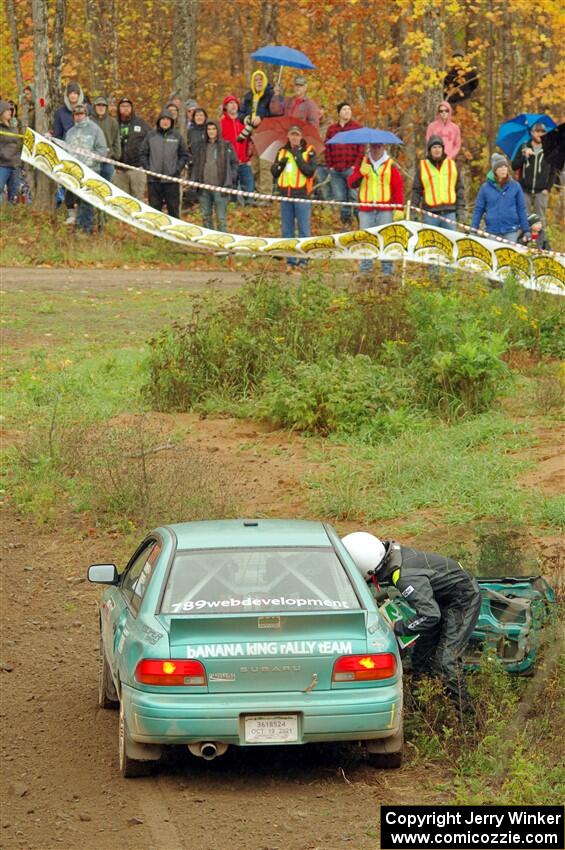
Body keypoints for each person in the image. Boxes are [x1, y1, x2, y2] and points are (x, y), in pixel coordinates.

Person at [341, 531, 481, 716]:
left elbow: (430, 615)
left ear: (368, 571)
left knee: (446, 663)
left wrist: (398, 627)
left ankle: (468, 720)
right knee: (421, 659)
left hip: (462, 599)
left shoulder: (405, 577)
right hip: (440, 599)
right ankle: (423, 712)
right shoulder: (388, 555)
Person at [348, 140, 404, 278]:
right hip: (366, 209)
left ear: (383, 147)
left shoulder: (390, 165)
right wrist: (360, 173)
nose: (376, 149)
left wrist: (399, 208)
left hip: (385, 209)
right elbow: (351, 184)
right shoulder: (362, 163)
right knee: (366, 239)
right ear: (369, 147)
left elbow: (398, 188)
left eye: (379, 146)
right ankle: (366, 269)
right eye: (373, 146)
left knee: (386, 239)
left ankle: (387, 270)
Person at [271, 124, 317, 271]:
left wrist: (297, 156)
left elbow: (310, 172)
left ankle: (303, 260)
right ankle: (290, 261)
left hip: (302, 195)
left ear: (301, 136)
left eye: (297, 135)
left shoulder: (309, 151)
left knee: (304, 229)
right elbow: (274, 172)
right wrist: (280, 165)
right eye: (292, 134)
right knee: (287, 230)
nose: (294, 137)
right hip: (286, 195)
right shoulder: (282, 151)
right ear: (288, 136)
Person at [64, 103, 107, 234]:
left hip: (91, 170)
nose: (79, 117)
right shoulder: (70, 132)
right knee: (78, 200)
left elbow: (102, 149)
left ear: (86, 114)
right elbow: (66, 150)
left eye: (81, 114)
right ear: (73, 116)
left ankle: (86, 229)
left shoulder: (95, 129)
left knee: (88, 200)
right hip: (75, 172)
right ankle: (80, 225)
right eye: (76, 114)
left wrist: (91, 159)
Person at [139, 108, 189, 219]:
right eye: (163, 119)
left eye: (168, 119)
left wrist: (176, 170)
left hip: (171, 180)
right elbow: (142, 154)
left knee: (173, 210)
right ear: (159, 121)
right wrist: (148, 169)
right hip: (154, 181)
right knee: (155, 210)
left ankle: (174, 234)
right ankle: (156, 235)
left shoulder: (177, 136)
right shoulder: (151, 136)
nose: (165, 122)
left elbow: (184, 155)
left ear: (171, 121)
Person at [472, 153, 530, 243]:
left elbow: (521, 209)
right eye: (500, 167)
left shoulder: (515, 186)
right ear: (494, 170)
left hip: (511, 230)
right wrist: (473, 228)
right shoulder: (485, 188)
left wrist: (526, 230)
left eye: (505, 167)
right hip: (492, 231)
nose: (504, 170)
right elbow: (479, 209)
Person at [191, 120, 238, 232]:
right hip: (204, 187)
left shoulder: (226, 145)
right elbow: (195, 164)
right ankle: (209, 243)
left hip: (221, 187)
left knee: (221, 218)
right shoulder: (201, 146)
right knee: (206, 216)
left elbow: (235, 163)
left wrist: (230, 178)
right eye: (209, 129)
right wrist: (194, 181)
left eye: (213, 129)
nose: (211, 131)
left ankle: (223, 243)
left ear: (218, 130)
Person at [411, 136, 465, 230]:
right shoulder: (422, 167)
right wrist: (414, 209)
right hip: (430, 214)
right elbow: (416, 190)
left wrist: (460, 209)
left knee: (451, 242)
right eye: (434, 147)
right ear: (429, 150)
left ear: (443, 149)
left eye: (439, 147)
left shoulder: (452, 165)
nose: (437, 150)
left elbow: (459, 188)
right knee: (429, 243)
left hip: (449, 213)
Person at [324, 101, 363, 228]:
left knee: (354, 196)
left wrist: (355, 166)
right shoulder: (332, 130)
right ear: (339, 113)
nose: (347, 112)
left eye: (349, 110)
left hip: (351, 168)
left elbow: (361, 149)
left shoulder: (357, 128)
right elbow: (327, 148)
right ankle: (346, 224)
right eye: (344, 109)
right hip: (336, 169)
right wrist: (330, 165)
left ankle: (360, 223)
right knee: (341, 198)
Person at [53, 82, 86, 223]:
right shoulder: (60, 112)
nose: (73, 95)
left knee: (83, 183)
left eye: (75, 93)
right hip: (67, 153)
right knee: (69, 184)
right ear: (67, 95)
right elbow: (58, 134)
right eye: (70, 93)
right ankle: (71, 213)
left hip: (85, 153)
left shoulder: (86, 108)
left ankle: (83, 213)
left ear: (79, 95)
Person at [239, 69, 275, 197]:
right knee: (254, 165)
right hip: (252, 135)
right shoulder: (248, 96)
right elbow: (240, 113)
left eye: (261, 79)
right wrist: (245, 118)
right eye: (256, 80)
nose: (258, 82)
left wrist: (262, 117)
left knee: (265, 166)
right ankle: (256, 193)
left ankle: (266, 195)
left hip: (266, 134)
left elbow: (275, 113)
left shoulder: (271, 95)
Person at [511, 122, 555, 224]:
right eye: (537, 131)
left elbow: (553, 171)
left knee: (540, 221)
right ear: (531, 133)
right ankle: (523, 239)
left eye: (543, 131)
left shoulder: (549, 149)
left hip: (541, 191)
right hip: (524, 190)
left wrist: (548, 188)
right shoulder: (523, 147)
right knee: (523, 218)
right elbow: (514, 166)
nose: (540, 134)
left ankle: (539, 240)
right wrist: (524, 156)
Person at [220, 94, 255, 204]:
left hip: (245, 161)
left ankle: (249, 211)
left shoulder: (243, 121)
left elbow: (250, 140)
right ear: (225, 107)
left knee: (249, 190)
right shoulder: (221, 123)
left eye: (235, 103)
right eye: (230, 103)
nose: (233, 105)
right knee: (232, 196)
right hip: (230, 164)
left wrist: (249, 156)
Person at [113, 96, 150, 200]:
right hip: (119, 169)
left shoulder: (141, 123)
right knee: (121, 201)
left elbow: (151, 141)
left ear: (132, 108)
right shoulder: (114, 123)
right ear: (119, 109)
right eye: (123, 106)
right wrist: (113, 161)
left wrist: (145, 162)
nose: (125, 108)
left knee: (138, 200)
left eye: (128, 106)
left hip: (137, 168)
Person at [91, 96, 121, 182]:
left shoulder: (113, 122)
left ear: (106, 107)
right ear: (94, 107)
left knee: (108, 188)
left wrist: (115, 156)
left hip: (107, 161)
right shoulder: (88, 121)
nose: (101, 107)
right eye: (98, 105)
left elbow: (116, 141)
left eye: (103, 105)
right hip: (92, 161)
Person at [0, 99, 22, 203]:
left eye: (11, 110)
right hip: (3, 164)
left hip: (16, 164)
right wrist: (4, 155)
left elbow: (21, 142)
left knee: (14, 194)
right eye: (7, 110)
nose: (10, 112)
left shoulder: (16, 126)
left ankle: (12, 216)